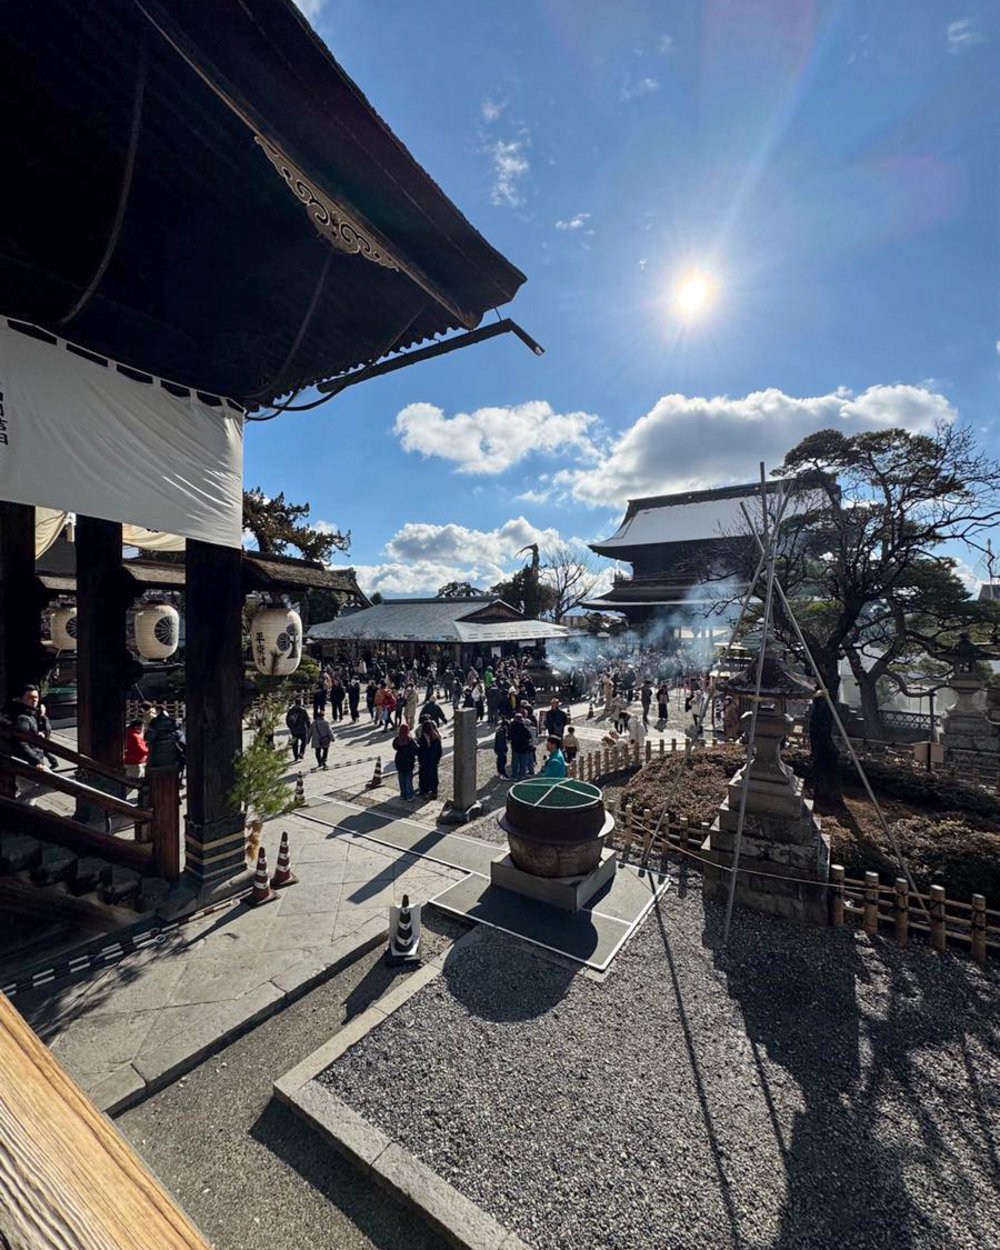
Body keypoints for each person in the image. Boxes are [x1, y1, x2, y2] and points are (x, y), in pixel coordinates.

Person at [146, 703, 185, 770]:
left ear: (158, 711)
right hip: (172, 756)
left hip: (156, 757)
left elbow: (149, 737)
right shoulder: (173, 722)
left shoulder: (153, 723)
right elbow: (181, 740)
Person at [391, 722, 419, 799]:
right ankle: (409, 795)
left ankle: (403, 794)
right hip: (408, 761)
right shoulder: (410, 740)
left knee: (401, 778)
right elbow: (416, 750)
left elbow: (394, 747)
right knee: (408, 779)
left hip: (399, 760)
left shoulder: (397, 739)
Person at [416, 718, 443, 797]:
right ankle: (434, 791)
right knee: (434, 775)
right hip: (433, 761)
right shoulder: (436, 738)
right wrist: (437, 759)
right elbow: (439, 751)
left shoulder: (422, 739)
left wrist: (420, 761)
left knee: (424, 776)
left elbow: (420, 752)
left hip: (425, 762)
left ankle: (425, 791)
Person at [508, 713, 534, 779]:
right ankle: (522, 775)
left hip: (515, 748)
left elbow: (509, 737)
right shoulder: (524, 729)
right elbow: (529, 737)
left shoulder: (511, 728)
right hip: (524, 748)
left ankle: (514, 775)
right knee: (523, 763)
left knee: (515, 763)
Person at [285, 698, 311, 762]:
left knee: (294, 744)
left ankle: (295, 757)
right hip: (302, 729)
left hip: (293, 730)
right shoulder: (303, 710)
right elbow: (307, 720)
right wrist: (309, 728)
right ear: (301, 702)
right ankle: (301, 753)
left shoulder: (291, 710)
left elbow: (287, 720)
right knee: (304, 742)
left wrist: (290, 727)